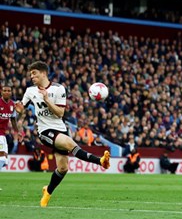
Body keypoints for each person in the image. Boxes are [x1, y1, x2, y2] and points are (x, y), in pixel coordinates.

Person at [14, 61, 110, 207]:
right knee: (69, 143)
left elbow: (60, 113)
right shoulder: (30, 91)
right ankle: (100, 161)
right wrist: (19, 111)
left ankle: (48, 191)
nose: (31, 76)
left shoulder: (59, 89)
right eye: (30, 74)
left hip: (60, 128)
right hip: (45, 131)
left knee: (63, 168)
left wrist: (46, 100)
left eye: (34, 73)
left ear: (43, 73)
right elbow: (21, 110)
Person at [0, 84, 23, 191]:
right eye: (5, 90)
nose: (7, 92)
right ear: (1, 92)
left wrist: (17, 132)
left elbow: (13, 120)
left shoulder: (12, 105)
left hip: (2, 135)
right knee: (2, 158)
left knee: (4, 160)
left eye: (9, 90)